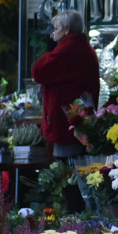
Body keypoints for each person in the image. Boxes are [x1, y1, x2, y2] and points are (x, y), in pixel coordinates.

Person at [31, 11, 101, 210]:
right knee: (79, 170)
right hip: (79, 119)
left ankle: (74, 216)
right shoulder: (86, 48)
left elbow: (38, 71)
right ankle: (80, 213)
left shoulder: (67, 50)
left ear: (66, 29)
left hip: (67, 122)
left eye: (56, 29)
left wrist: (49, 50)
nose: (54, 34)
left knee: (68, 173)